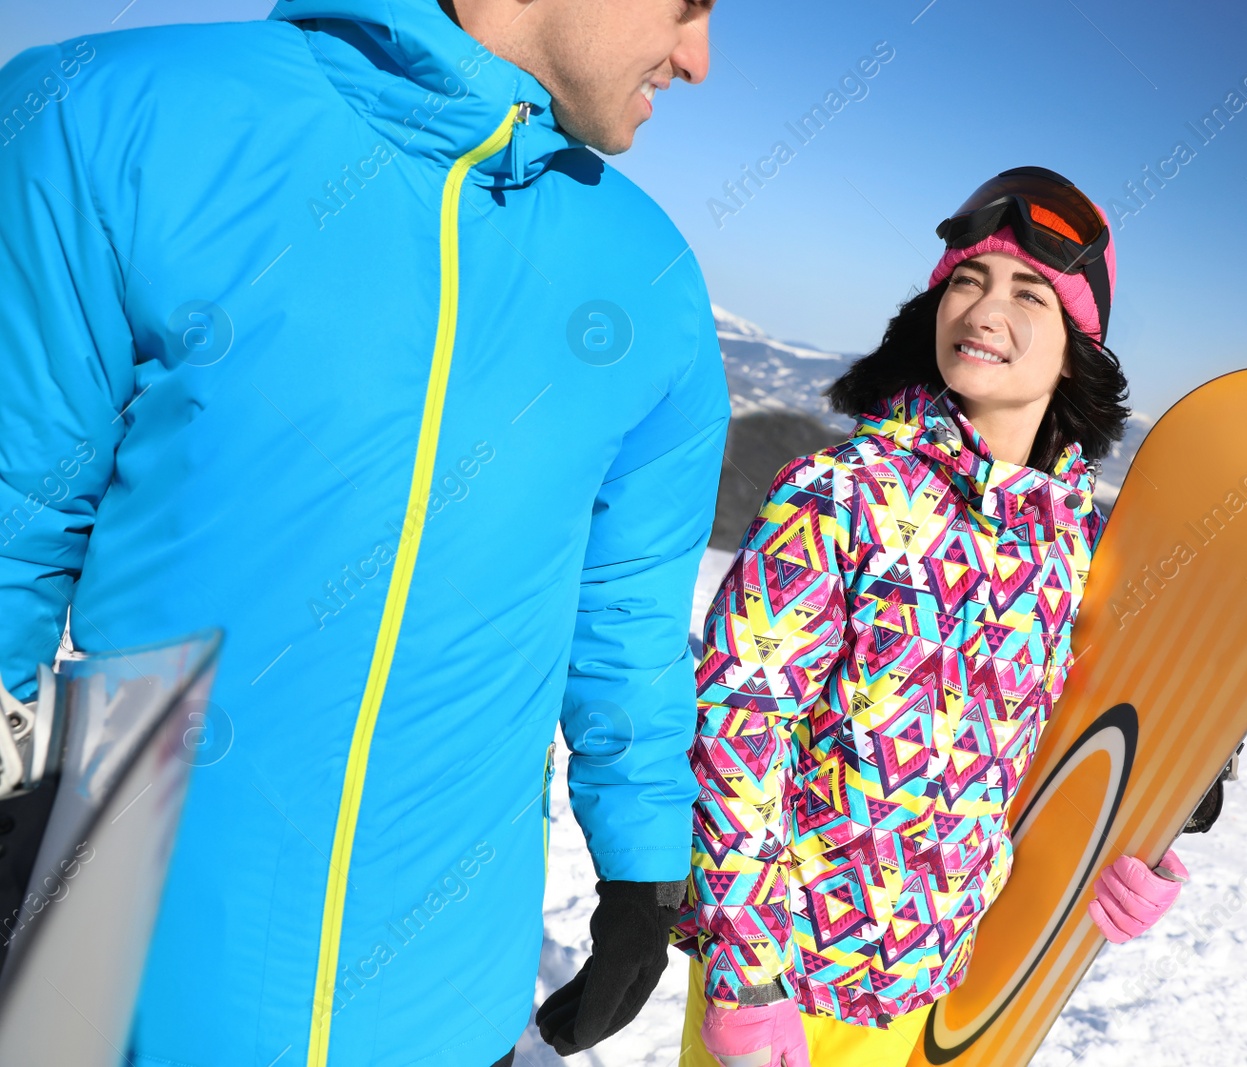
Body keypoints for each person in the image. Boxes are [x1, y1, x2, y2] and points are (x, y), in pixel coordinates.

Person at [0, 1, 727, 1064]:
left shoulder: (650, 277)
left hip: (447, 1001)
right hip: (111, 977)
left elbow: (625, 611)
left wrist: (641, 866)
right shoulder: (114, 114)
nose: (700, 60)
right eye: (689, 2)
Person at [673, 168, 1189, 1067]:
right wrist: (747, 975)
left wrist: (1129, 848)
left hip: (942, 986)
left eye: (1030, 293)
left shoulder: (1077, 548)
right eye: (967, 281)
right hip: (793, 982)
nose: (985, 310)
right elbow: (736, 731)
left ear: (1076, 349)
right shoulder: (842, 494)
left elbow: (1063, 747)